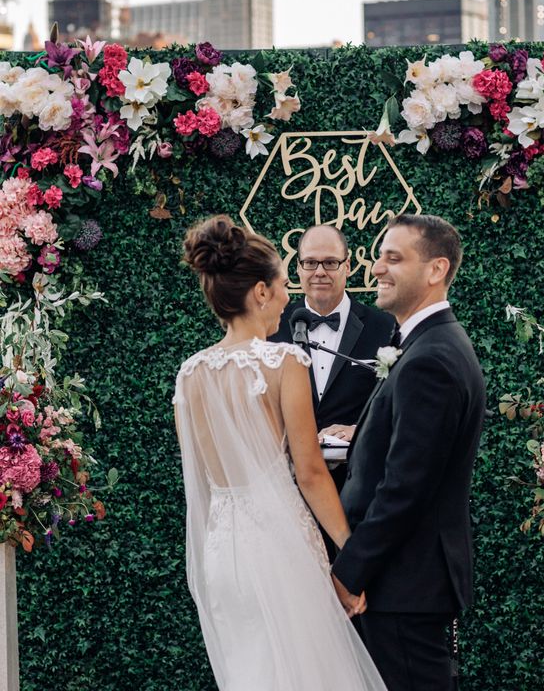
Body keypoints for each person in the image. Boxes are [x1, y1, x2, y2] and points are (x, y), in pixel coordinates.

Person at [173, 214, 387, 691]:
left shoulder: (189, 374)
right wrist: (352, 558)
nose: (291, 297)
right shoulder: (286, 361)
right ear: (261, 292)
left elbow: (202, 480)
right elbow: (310, 473)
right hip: (278, 545)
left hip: (221, 553)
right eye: (285, 284)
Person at [331, 213, 486, 691]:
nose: (377, 268)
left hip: (403, 583)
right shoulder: (426, 347)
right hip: (405, 580)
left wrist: (351, 569)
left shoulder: (431, 360)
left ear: (436, 269)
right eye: (380, 256)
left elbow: (405, 488)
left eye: (393, 257)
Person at [270, 224, 394, 494]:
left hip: (359, 487)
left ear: (347, 266)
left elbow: (398, 406)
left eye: (330, 262)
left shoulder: (385, 327)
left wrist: (359, 430)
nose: (320, 272)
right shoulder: (271, 327)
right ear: (299, 268)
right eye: (311, 262)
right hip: (286, 490)